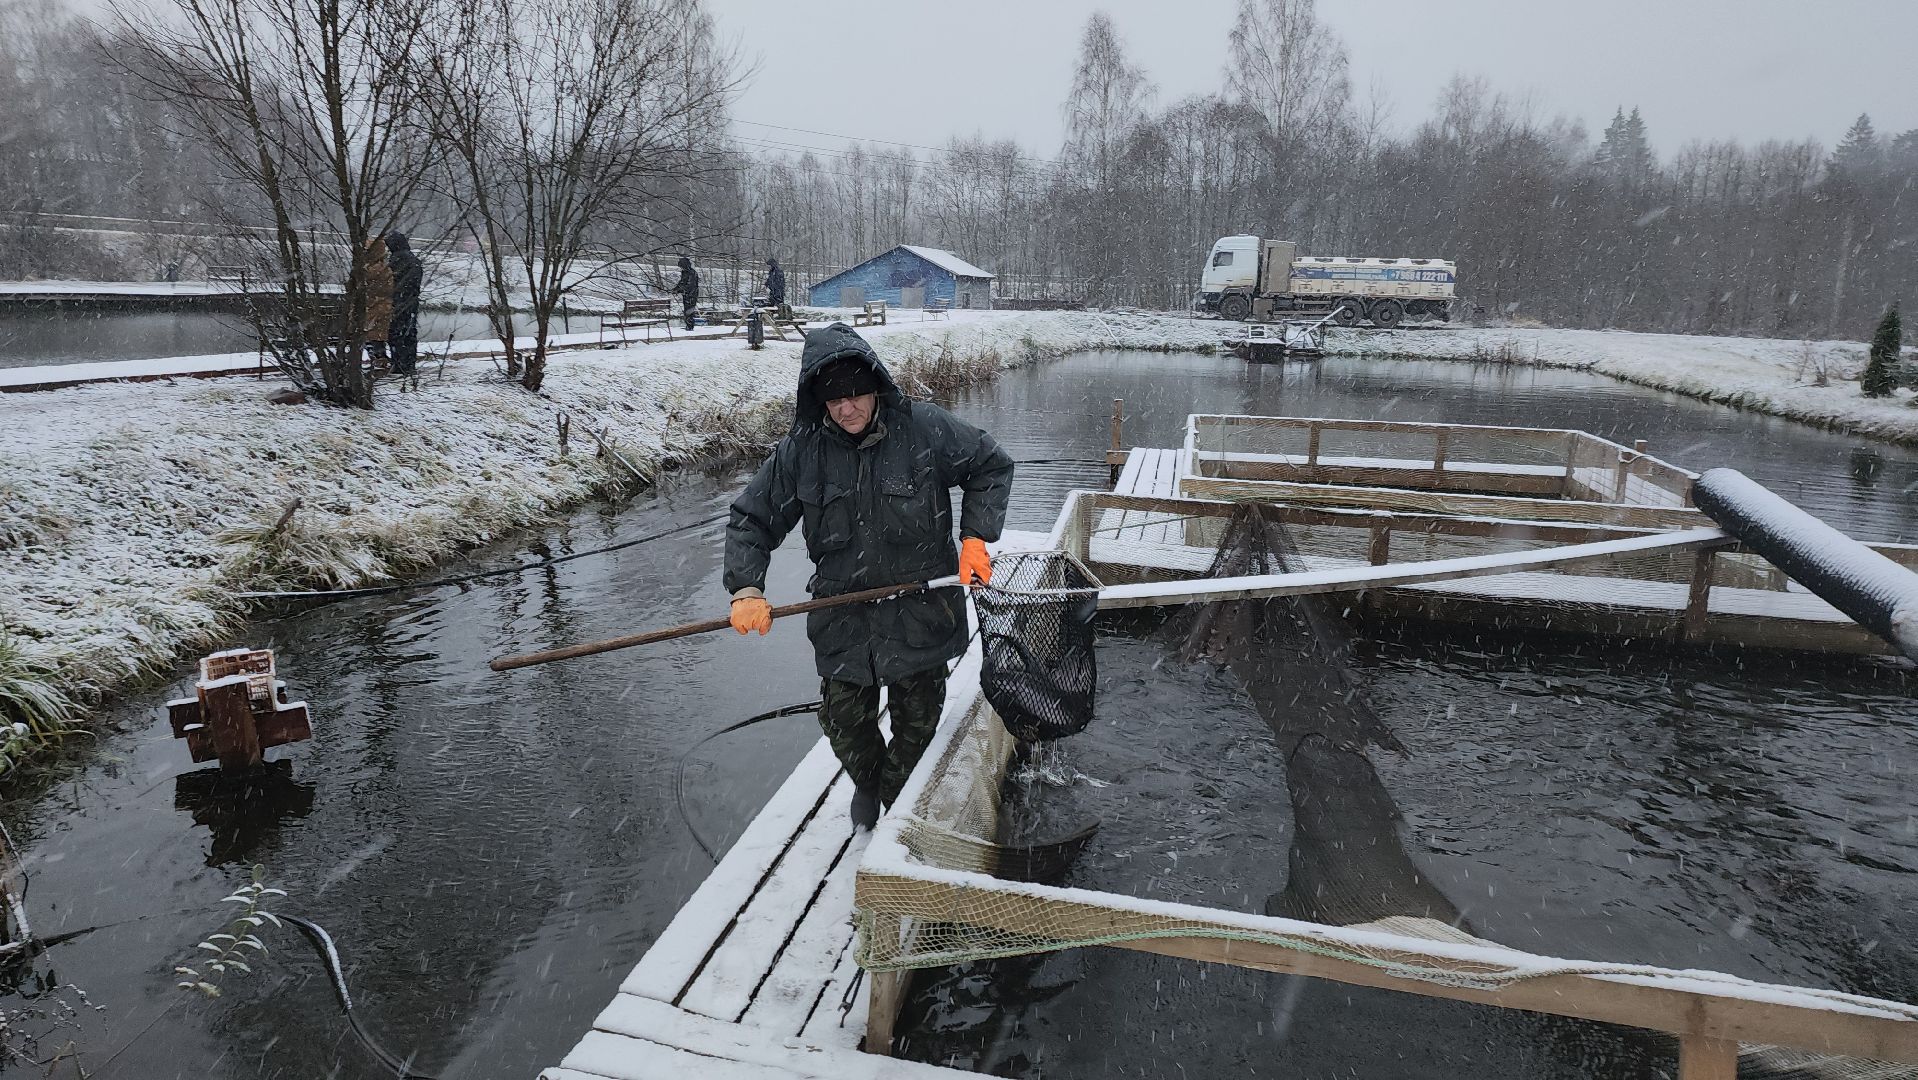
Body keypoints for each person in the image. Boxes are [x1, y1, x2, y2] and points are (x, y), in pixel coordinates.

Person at [724, 323, 1013, 831]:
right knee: (844, 724)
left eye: (855, 393)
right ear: (818, 401)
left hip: (921, 615)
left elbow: (990, 464)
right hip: (843, 620)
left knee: (917, 728)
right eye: (833, 399)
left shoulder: (924, 430)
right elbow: (752, 520)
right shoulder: (801, 452)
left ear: (875, 385)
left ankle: (898, 809)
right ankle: (869, 781)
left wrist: (974, 537)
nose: (847, 408)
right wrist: (747, 587)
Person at [385, 231, 422, 375]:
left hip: (398, 302)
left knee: (396, 333)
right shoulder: (414, 259)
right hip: (411, 302)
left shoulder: (396, 260)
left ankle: (399, 364)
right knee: (409, 333)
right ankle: (409, 365)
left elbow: (389, 282)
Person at [363, 236, 394, 369]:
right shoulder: (386, 268)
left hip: (373, 307)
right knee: (378, 336)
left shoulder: (370, 269)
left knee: (372, 336)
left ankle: (378, 360)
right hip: (383, 307)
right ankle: (380, 359)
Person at [669, 255, 699, 332]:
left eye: (681, 266)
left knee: (689, 311)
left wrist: (680, 290)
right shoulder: (684, 273)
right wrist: (675, 289)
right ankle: (688, 325)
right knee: (686, 310)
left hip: (692, 295)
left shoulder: (692, 273)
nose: (681, 268)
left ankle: (690, 326)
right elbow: (681, 283)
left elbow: (690, 285)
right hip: (686, 295)